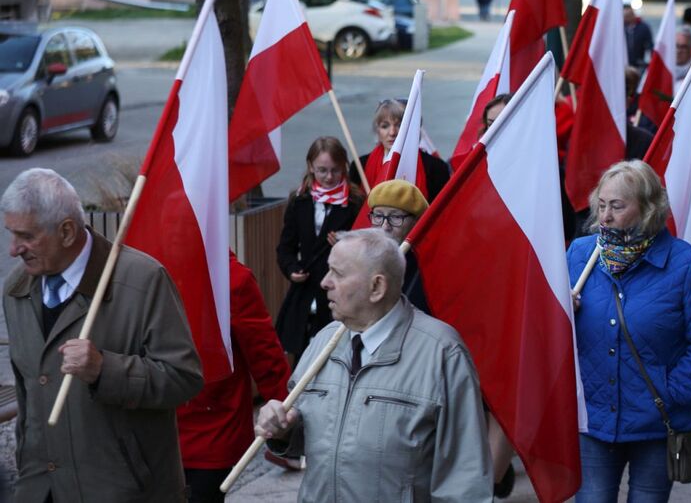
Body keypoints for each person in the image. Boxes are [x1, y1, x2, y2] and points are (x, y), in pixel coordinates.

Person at [2, 168, 203, 502]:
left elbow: (184, 379)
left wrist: (103, 370)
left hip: (122, 491)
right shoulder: (17, 290)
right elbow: (28, 398)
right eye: (11, 234)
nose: (13, 250)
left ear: (67, 232)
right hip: (41, 490)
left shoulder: (143, 281)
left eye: (26, 236)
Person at [256, 229, 493, 502]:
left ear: (377, 287)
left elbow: (466, 480)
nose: (324, 282)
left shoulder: (442, 353)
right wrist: (283, 431)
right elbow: (311, 438)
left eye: (338, 273)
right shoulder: (323, 341)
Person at [569, 161, 691, 502]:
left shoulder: (687, 264)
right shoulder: (579, 255)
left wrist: (673, 390)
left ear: (648, 209)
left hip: (657, 422)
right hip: (593, 419)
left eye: (617, 206)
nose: (605, 217)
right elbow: (548, 333)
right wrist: (562, 313)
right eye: (601, 205)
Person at [179, 254, 292, 498]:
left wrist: (287, 420)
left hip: (210, 434)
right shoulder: (145, 264)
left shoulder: (230, 278)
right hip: (153, 431)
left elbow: (264, 355)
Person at [276, 137, 362, 363]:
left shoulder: (355, 202)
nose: (329, 177)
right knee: (303, 357)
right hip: (305, 290)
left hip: (338, 292)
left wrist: (345, 243)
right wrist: (291, 269)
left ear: (344, 167)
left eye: (335, 170)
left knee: (337, 355)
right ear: (311, 167)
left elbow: (366, 248)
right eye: (322, 170)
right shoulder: (300, 200)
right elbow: (286, 247)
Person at [349, 98, 451, 203]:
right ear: (377, 130)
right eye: (385, 126)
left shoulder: (436, 169)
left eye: (399, 126)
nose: (392, 132)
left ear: (413, 129)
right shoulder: (360, 167)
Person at [366, 179, 430, 312]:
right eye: (378, 216)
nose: (384, 227)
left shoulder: (426, 268)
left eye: (395, 217)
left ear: (416, 222)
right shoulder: (361, 259)